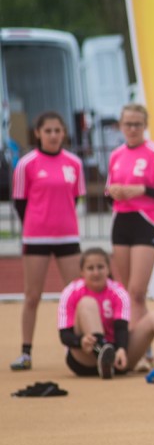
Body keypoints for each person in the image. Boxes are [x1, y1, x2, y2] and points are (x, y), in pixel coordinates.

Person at [57, 248, 154, 379]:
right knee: (87, 303)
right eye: (90, 268)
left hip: (118, 357)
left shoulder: (118, 292)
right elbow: (65, 335)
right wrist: (80, 341)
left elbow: (122, 328)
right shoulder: (71, 292)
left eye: (100, 267)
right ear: (82, 272)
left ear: (108, 270)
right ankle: (103, 357)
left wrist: (121, 350)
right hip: (84, 358)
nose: (96, 272)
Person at [10, 112, 86, 371]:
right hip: (36, 238)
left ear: (64, 133)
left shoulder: (74, 163)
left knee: (76, 295)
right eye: (48, 131)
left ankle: (76, 348)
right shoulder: (26, 164)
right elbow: (20, 202)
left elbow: (75, 198)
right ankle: (26, 352)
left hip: (68, 236)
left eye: (57, 130)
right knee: (32, 296)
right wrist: (36, 223)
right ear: (38, 133)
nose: (53, 135)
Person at [105, 103, 154, 370]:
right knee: (128, 295)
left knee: (137, 292)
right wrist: (114, 191)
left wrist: (142, 190)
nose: (132, 129)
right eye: (128, 124)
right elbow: (109, 190)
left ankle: (136, 350)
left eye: (137, 124)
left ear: (145, 125)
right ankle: (143, 350)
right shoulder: (116, 154)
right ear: (121, 126)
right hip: (121, 221)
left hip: (146, 222)